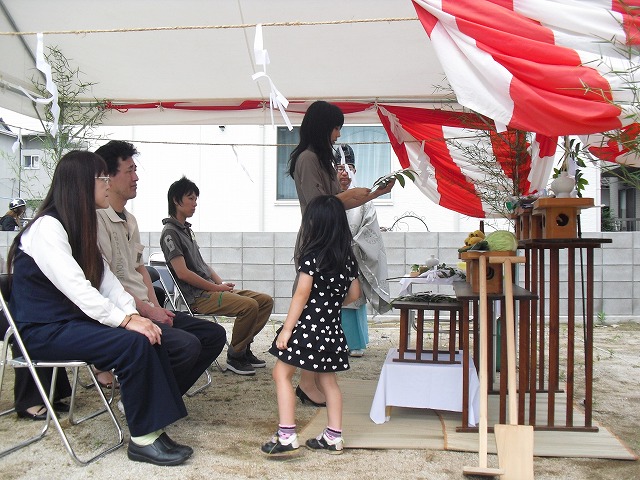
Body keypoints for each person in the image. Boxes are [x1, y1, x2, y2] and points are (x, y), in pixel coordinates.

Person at [7, 150, 192, 466]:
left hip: (68, 325)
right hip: (41, 332)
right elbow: (78, 288)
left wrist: (133, 315)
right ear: (80, 183)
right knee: (133, 343)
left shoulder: (79, 227)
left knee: (149, 335)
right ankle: (143, 439)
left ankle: (154, 430)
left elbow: (107, 283)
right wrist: (125, 321)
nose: (108, 184)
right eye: (102, 178)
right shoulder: (47, 228)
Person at [94, 140, 226, 395]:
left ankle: (159, 397)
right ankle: (144, 400)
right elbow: (105, 282)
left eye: (135, 170)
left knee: (214, 335)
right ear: (108, 177)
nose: (136, 177)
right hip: (124, 316)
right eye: (130, 171)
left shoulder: (130, 220)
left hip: (145, 309)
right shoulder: (97, 219)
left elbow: (140, 269)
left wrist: (156, 308)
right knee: (187, 345)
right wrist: (147, 311)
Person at [287, 100, 394, 406]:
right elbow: (322, 206)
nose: (338, 134)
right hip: (318, 243)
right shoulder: (308, 159)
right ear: (323, 127)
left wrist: (375, 193)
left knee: (324, 312)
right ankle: (304, 381)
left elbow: (337, 201)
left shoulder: (322, 158)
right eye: (336, 128)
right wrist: (352, 195)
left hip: (331, 241)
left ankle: (309, 381)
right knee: (314, 312)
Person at [261, 195, 360, 456]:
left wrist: (287, 329)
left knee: (281, 374)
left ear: (316, 224)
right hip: (331, 329)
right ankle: (333, 437)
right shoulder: (347, 259)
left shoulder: (312, 256)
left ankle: (286, 436)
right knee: (328, 381)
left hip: (306, 327)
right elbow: (355, 294)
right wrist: (332, 304)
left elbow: (302, 294)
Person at [160, 176, 273, 376]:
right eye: (191, 198)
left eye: (196, 199)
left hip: (211, 290)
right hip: (198, 298)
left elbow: (202, 264)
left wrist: (221, 284)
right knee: (249, 306)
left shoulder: (186, 230)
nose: (195, 204)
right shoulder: (170, 233)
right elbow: (182, 273)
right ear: (176, 201)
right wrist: (216, 288)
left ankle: (243, 348)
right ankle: (235, 356)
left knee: (264, 301)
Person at [335, 145, 392, 357]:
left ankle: (355, 342)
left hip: (354, 256)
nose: (344, 173)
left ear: (355, 171)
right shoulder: (328, 195)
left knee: (354, 298)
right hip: (331, 258)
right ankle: (334, 342)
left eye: (348, 168)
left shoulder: (363, 199)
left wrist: (353, 245)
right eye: (340, 168)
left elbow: (370, 230)